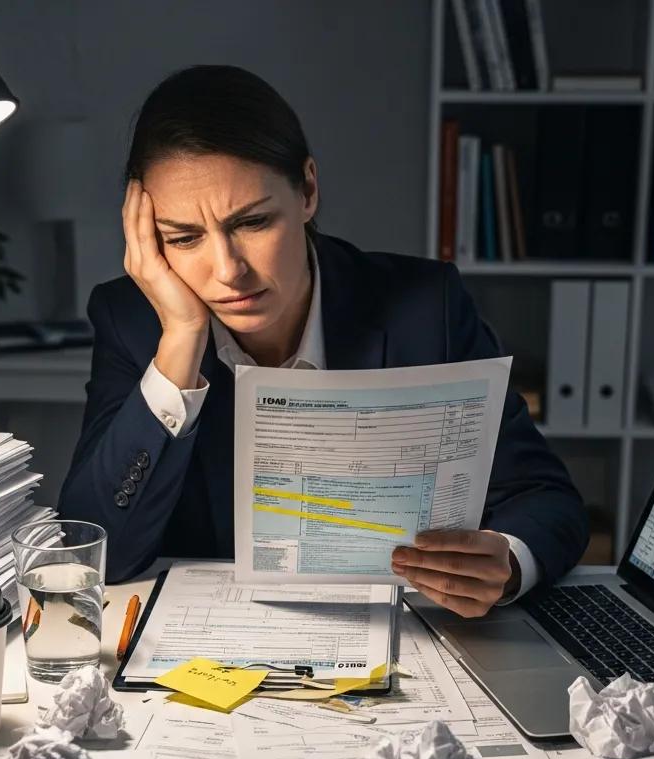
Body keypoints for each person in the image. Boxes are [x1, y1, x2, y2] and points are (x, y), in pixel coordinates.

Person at [59, 65, 588, 617]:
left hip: (403, 645)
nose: (227, 270)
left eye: (253, 223)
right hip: (207, 661)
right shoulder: (133, 320)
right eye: (184, 238)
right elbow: (97, 555)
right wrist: (182, 338)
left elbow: (547, 500)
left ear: (307, 190)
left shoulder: (429, 308)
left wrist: (506, 562)